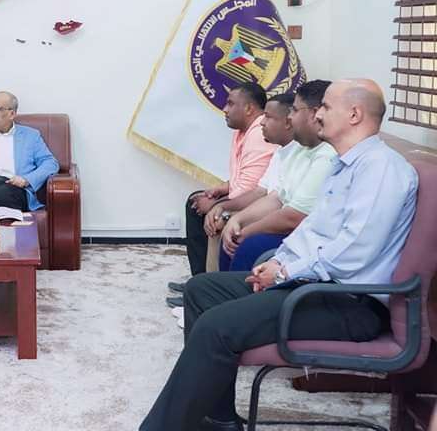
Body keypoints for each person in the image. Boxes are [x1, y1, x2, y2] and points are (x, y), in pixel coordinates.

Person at [140, 79, 418, 431]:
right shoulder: (345, 164)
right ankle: (218, 418)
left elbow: (353, 252)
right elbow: (311, 230)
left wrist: (285, 272)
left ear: (354, 114)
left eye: (325, 107)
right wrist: (278, 261)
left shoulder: (381, 170)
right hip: (314, 286)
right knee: (202, 291)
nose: (317, 115)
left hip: (348, 302)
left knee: (215, 326)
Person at [218, 80, 336, 271]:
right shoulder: (299, 149)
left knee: (247, 244)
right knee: (233, 234)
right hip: (293, 230)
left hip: (308, 238)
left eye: (295, 110)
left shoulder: (327, 155)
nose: (290, 117)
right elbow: (276, 198)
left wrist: (246, 231)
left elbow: (294, 217)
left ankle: (228, 289)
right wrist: (237, 220)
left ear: (314, 114)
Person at [181, 82, 277, 279]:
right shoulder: (242, 131)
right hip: (250, 196)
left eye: (230, 104)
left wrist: (216, 205)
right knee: (196, 201)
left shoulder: (259, 134)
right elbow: (243, 175)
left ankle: (206, 281)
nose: (225, 109)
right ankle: (199, 280)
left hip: (257, 202)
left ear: (249, 108)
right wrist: (221, 189)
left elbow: (251, 188)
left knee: (212, 216)